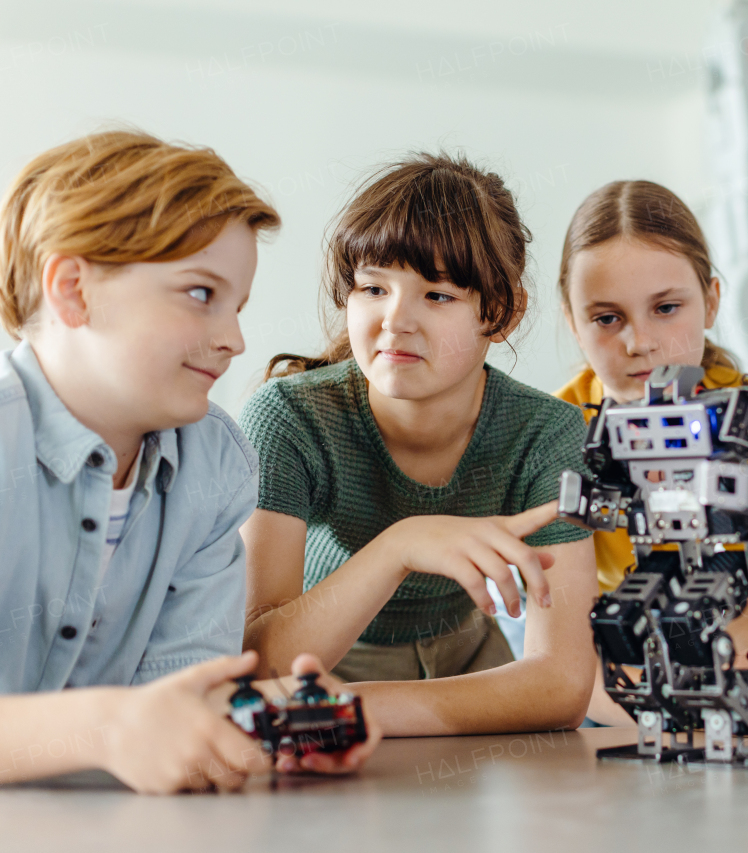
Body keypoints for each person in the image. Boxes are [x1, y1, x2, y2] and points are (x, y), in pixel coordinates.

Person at [0, 130, 377, 792]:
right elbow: (128, 727)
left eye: (238, 306)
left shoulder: (214, 466)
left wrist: (269, 726)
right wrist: (109, 727)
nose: (233, 339)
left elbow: (177, 694)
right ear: (73, 290)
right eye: (201, 294)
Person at [238, 152, 597, 736]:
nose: (394, 321)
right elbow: (259, 670)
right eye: (373, 288)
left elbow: (560, 685)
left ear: (501, 312)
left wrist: (348, 711)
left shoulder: (548, 434)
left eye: (437, 295)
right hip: (325, 658)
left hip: (472, 671)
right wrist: (399, 546)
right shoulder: (288, 419)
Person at [555, 179, 748, 738]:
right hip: (595, 677)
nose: (640, 342)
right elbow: (567, 665)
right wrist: (678, 709)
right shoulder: (555, 429)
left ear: (712, 300)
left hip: (694, 663)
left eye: (666, 308)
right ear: (570, 318)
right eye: (607, 318)